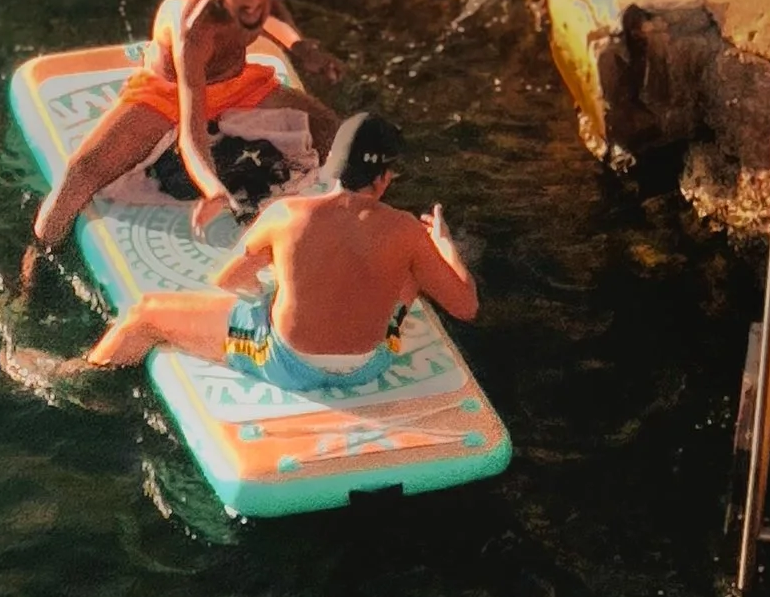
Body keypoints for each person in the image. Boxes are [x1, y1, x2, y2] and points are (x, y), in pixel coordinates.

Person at [74, 113, 475, 392]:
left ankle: (82, 379)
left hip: (287, 363)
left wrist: (284, 275)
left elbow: (228, 280)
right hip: (369, 364)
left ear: (330, 168)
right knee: (410, 272)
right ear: (385, 177)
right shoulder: (406, 229)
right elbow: (465, 307)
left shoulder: (287, 215)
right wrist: (445, 248)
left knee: (145, 314)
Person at [26, 0, 338, 265]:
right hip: (169, 94)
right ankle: (30, 275)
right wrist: (213, 189)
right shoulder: (195, 26)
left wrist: (302, 47)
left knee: (334, 134)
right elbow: (191, 133)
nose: (252, 1)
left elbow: (275, 11)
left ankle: (358, 229)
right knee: (79, 175)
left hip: (239, 84)